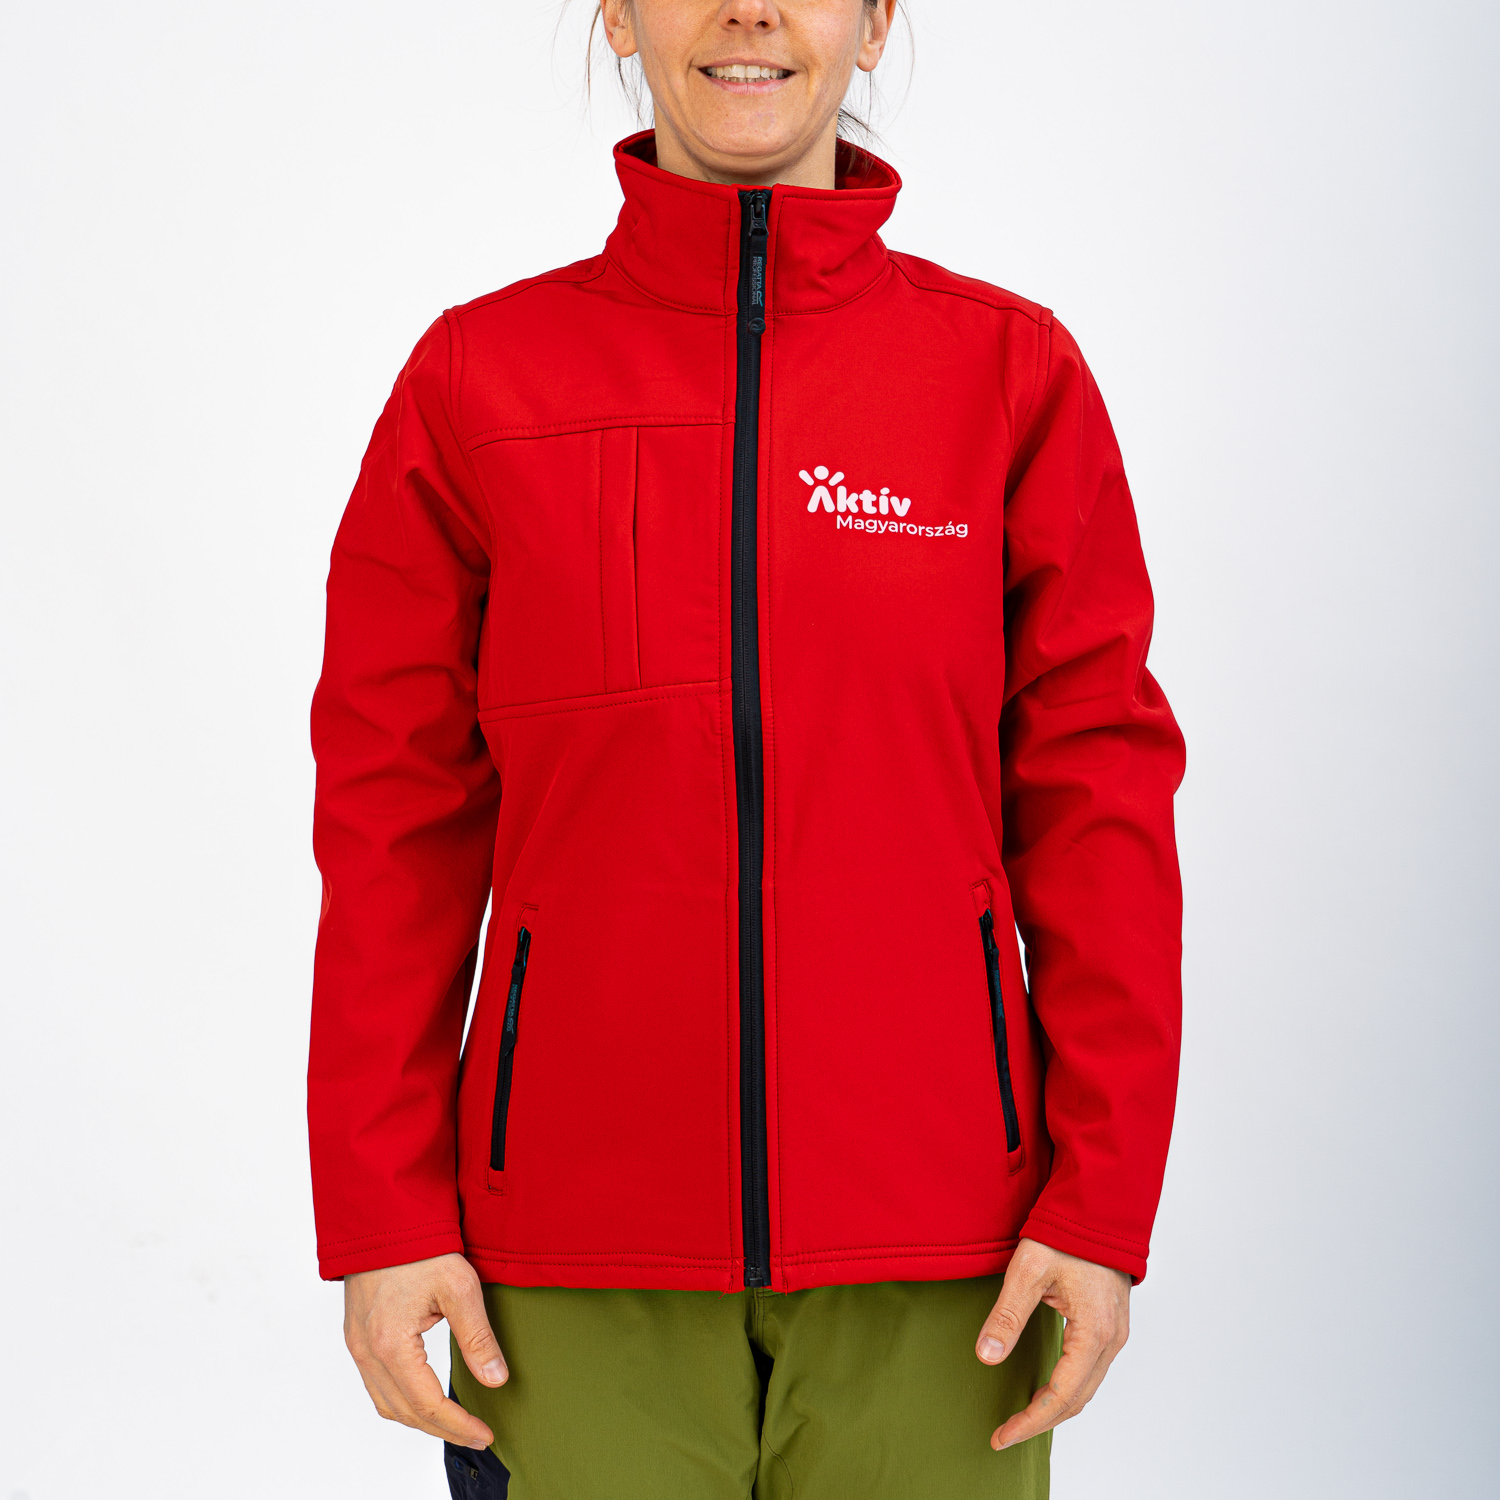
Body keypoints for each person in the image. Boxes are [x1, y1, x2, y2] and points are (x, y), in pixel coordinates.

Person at [308, 2, 1186, 1495]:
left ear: (877, 20)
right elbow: (393, 822)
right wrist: (384, 1211)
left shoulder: (1008, 378)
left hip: (948, 1261)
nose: (751, 10)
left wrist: (1101, 1203)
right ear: (619, 12)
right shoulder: (478, 383)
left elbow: (1098, 808)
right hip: (569, 1264)